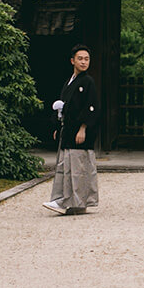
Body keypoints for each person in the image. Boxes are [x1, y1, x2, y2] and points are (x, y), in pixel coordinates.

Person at [43, 44, 99, 216]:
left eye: (87, 59)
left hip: (79, 132)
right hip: (68, 130)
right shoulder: (70, 81)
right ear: (72, 60)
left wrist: (83, 128)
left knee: (79, 169)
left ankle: (68, 201)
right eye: (80, 58)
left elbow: (91, 107)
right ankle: (73, 202)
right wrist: (57, 124)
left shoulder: (88, 81)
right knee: (66, 167)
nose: (84, 62)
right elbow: (64, 106)